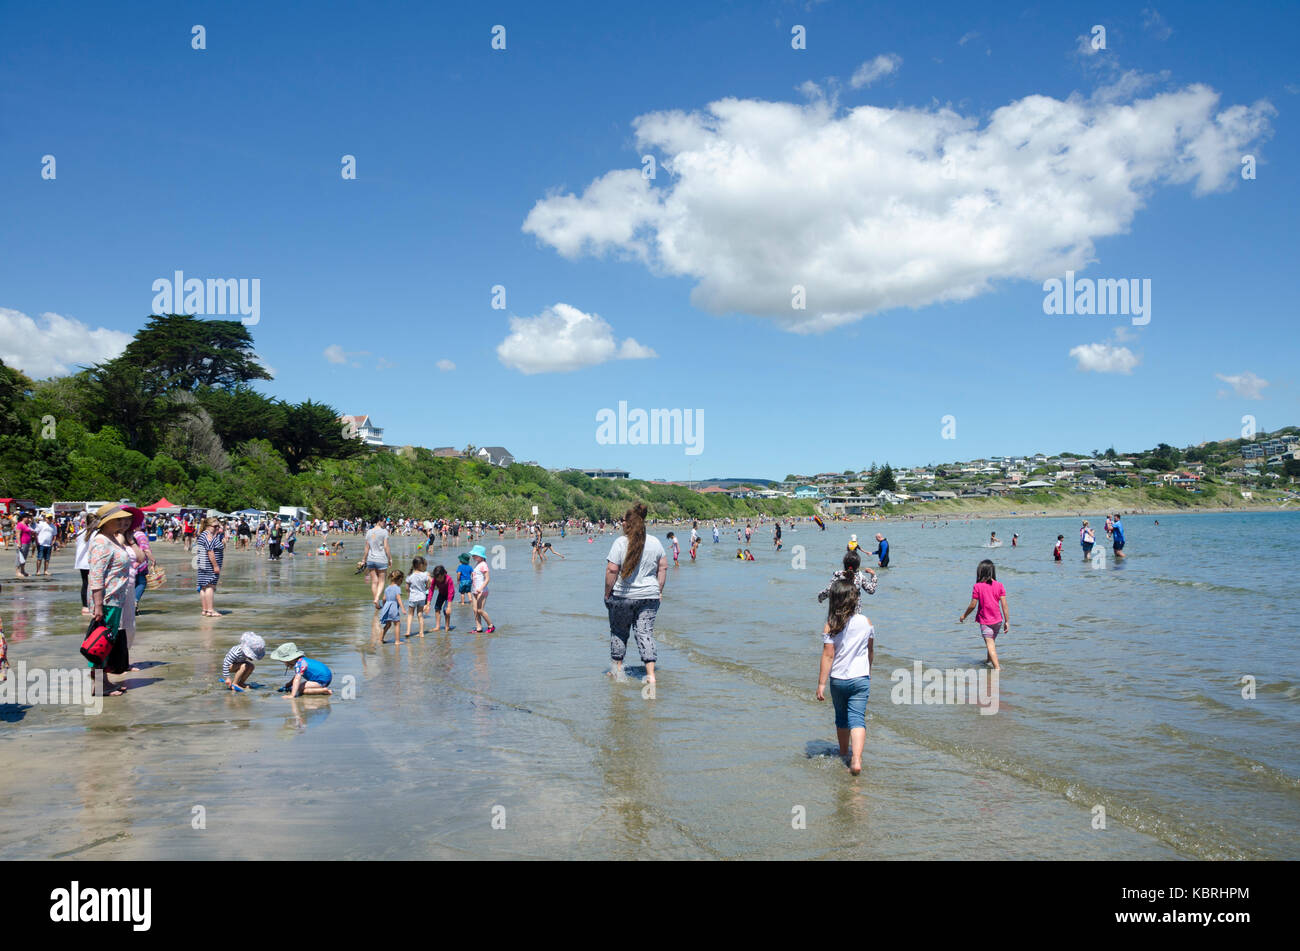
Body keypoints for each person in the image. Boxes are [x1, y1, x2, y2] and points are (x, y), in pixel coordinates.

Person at [815, 578, 874, 776]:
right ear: (855, 600)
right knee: (857, 719)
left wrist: (821, 684)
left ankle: (842, 752)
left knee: (841, 718)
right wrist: (869, 671)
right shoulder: (866, 622)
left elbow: (828, 655)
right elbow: (870, 651)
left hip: (838, 680)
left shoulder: (831, 625)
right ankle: (856, 759)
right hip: (860, 678)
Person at [603, 502, 666, 685]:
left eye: (622, 520)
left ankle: (617, 670)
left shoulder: (621, 542)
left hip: (623, 596)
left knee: (619, 632)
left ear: (628, 523)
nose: (621, 523)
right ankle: (651, 675)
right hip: (649, 596)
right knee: (645, 633)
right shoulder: (655, 542)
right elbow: (663, 568)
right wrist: (659, 591)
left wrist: (607, 592)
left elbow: (612, 570)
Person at [86, 504, 145, 696]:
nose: (123, 522)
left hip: (116, 598)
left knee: (107, 643)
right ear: (107, 522)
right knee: (100, 643)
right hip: (107, 599)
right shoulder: (101, 541)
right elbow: (96, 575)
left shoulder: (113, 539)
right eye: (118, 519)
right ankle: (100, 685)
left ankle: (105, 682)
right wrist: (98, 605)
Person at [958, 559, 1008, 670]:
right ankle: (988, 661)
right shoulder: (999, 585)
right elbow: (1004, 605)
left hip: (986, 621)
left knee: (990, 644)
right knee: (991, 642)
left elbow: (972, 605)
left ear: (980, 572)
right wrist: (1007, 621)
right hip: (998, 621)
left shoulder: (978, 586)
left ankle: (997, 668)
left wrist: (964, 616)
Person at [195, 517, 225, 617]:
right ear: (208, 526)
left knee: (204, 587)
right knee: (210, 586)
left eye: (218, 526)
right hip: (209, 564)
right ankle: (210, 610)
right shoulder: (208, 535)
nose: (217, 528)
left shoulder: (205, 534)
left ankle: (205, 610)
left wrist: (216, 533)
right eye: (215, 526)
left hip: (203, 563)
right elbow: (210, 551)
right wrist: (215, 566)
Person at [364, 517, 391, 608]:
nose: (385, 523)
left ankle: (376, 602)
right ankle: (376, 598)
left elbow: (367, 547)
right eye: (384, 521)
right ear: (379, 521)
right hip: (381, 559)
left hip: (370, 559)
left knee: (374, 581)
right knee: (382, 581)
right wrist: (390, 558)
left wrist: (364, 559)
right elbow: (386, 546)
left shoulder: (369, 532)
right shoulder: (384, 532)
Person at [469, 544, 494, 633]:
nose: (473, 556)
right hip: (474, 590)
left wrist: (481, 588)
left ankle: (490, 625)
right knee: (475, 610)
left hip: (482, 591)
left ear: (480, 556)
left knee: (480, 610)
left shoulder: (483, 564)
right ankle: (478, 627)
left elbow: (487, 579)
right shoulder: (477, 564)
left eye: (474, 555)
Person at [406, 557, 431, 638]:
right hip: (422, 598)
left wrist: (409, 592)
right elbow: (428, 586)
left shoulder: (410, 576)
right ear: (420, 565)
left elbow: (407, 588)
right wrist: (425, 588)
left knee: (410, 614)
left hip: (413, 597)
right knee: (420, 614)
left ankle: (408, 631)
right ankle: (421, 633)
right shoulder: (424, 575)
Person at [378, 569, 405, 643]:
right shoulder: (397, 588)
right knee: (397, 624)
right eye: (401, 581)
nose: (401, 583)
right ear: (399, 579)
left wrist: (384, 607)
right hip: (393, 607)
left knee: (388, 624)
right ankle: (397, 641)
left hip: (387, 607)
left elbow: (383, 599)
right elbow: (398, 599)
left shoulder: (387, 588)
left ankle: (380, 639)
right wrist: (403, 608)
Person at [430, 565, 455, 632]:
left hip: (449, 595)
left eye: (440, 578)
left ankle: (447, 627)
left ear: (444, 574)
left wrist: (449, 606)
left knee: (445, 610)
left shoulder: (449, 579)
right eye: (437, 578)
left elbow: (450, 592)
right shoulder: (435, 579)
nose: (439, 580)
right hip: (441, 594)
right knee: (437, 608)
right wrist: (428, 603)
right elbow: (431, 590)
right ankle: (437, 626)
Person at [75, 522, 92, 615]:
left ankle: (85, 606)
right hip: (91, 561)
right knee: (93, 584)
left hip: (82, 562)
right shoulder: (95, 533)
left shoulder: (81, 532)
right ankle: (90, 605)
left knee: (85, 583)